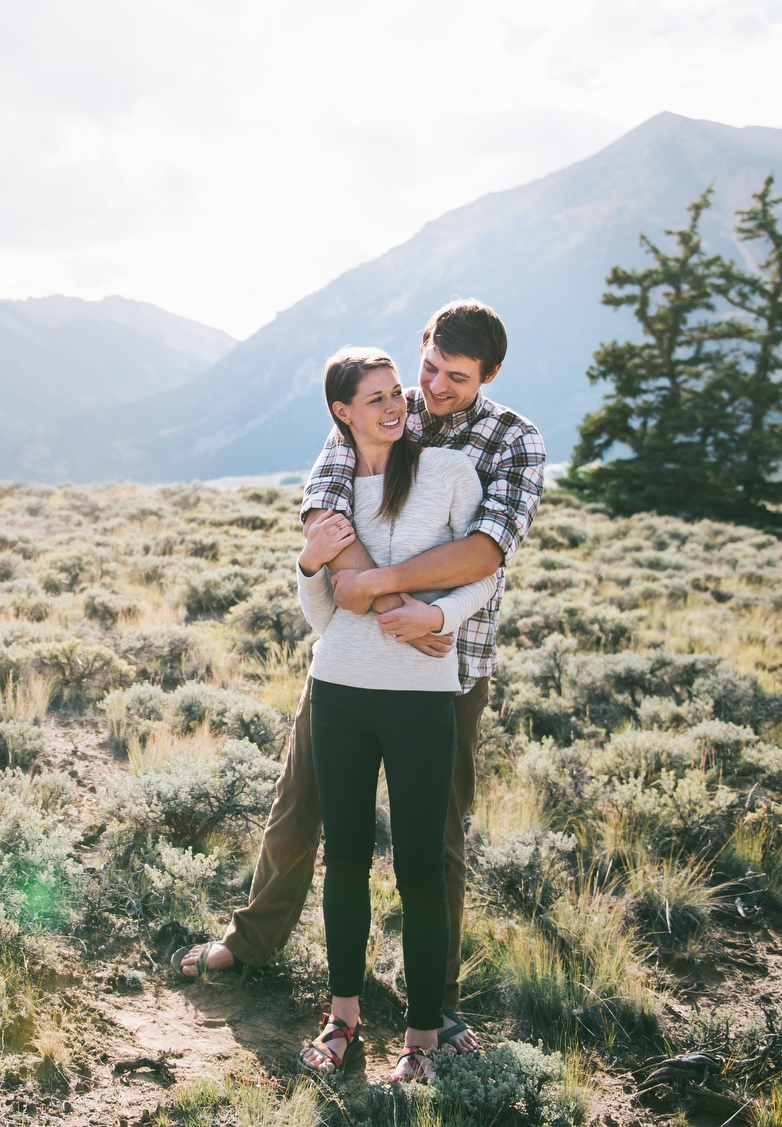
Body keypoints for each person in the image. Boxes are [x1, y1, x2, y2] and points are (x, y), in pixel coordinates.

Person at [174, 299, 546, 1057]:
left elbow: (485, 551)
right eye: (430, 369)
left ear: (491, 375)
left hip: (449, 664)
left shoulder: (514, 440)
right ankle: (253, 943)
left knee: (435, 840)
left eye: (456, 378)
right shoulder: (380, 405)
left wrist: (396, 596)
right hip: (349, 663)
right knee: (296, 809)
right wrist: (372, 598)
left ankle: (434, 1007)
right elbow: (322, 509)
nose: (433, 391)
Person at [288, 346, 499, 1084]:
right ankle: (342, 1017)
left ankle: (420, 1037)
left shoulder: (447, 473)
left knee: (419, 870)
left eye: (394, 393)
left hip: (422, 696)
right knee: (344, 858)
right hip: (340, 690)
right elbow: (323, 615)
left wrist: (437, 620)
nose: (394, 404)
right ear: (343, 413)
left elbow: (484, 569)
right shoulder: (330, 494)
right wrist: (310, 565)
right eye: (373, 398)